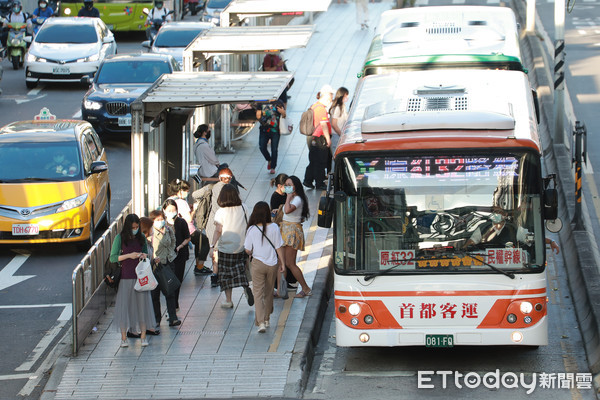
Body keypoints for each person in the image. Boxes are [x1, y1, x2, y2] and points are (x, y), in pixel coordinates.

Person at [109, 214, 156, 348]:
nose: (135, 229)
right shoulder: (120, 238)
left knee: (142, 307)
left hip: (140, 277)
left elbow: (147, 254)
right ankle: (123, 338)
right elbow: (113, 257)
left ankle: (143, 336)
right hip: (125, 277)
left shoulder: (141, 238)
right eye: (133, 227)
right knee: (124, 308)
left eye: (137, 227)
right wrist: (129, 255)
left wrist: (143, 255)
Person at [244, 202, 286, 333]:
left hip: (257, 264)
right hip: (272, 264)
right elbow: (279, 246)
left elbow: (247, 250)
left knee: (257, 293)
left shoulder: (251, 229)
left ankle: (261, 322)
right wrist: (283, 263)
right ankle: (267, 318)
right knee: (268, 292)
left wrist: (252, 251)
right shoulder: (274, 227)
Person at [210, 184, 253, 308]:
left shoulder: (221, 211)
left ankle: (228, 300)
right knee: (241, 269)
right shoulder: (244, 207)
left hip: (226, 248)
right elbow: (248, 224)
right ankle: (245, 287)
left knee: (226, 275)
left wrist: (212, 245)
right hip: (242, 246)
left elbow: (218, 230)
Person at [192, 168, 235, 286]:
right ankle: (220, 274)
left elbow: (194, 194)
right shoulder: (231, 190)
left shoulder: (211, 187)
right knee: (222, 249)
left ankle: (215, 276)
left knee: (215, 248)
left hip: (212, 223)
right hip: (226, 223)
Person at [127, 217, 161, 339]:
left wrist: (153, 260)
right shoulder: (139, 242)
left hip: (144, 277)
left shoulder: (147, 241)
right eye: (151, 227)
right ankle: (133, 330)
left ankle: (146, 327)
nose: (153, 229)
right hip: (137, 278)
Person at [280, 176, 312, 298]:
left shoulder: (297, 199)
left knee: (290, 263)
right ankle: (280, 289)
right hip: (286, 230)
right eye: (286, 184)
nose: (287, 187)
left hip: (291, 232)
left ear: (295, 186)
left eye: (289, 184)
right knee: (282, 262)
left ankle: (306, 288)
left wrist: (288, 197)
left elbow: (287, 211)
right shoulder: (294, 198)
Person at [149, 209, 181, 327]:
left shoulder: (168, 230)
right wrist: (154, 257)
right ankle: (156, 319)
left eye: (162, 219)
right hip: (156, 265)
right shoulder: (150, 234)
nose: (160, 222)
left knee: (170, 290)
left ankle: (172, 317)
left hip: (168, 263)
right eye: (158, 220)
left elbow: (173, 241)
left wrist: (170, 253)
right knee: (155, 293)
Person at [270, 173, 298, 293]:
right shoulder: (275, 197)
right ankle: (281, 284)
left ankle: (288, 281)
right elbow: (277, 214)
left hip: (286, 228)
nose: (288, 188)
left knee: (286, 258)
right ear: (279, 186)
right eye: (286, 186)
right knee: (282, 258)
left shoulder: (287, 195)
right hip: (280, 229)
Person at [303, 85, 334, 191]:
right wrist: (328, 139)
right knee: (320, 161)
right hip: (319, 138)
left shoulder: (315, 105)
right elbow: (324, 124)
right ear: (326, 96)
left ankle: (308, 180)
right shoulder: (320, 108)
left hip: (313, 138)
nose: (331, 100)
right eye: (331, 97)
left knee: (314, 160)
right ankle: (319, 183)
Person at [163, 199, 190, 310]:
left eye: (173, 210)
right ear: (164, 210)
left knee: (177, 280)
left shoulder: (181, 222)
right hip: (166, 257)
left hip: (179, 255)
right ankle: (172, 305)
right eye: (169, 210)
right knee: (169, 281)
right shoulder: (162, 223)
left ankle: (175, 303)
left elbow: (188, 237)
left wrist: (180, 246)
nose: (171, 212)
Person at [256, 99, 286, 175]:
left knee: (274, 149)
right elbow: (258, 115)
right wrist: (259, 116)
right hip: (264, 129)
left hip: (275, 130)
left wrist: (282, 112)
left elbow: (284, 115)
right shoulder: (261, 102)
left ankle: (273, 167)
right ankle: (269, 159)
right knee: (261, 147)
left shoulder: (279, 102)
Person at [329, 87, 349, 156]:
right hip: (336, 137)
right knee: (336, 159)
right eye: (346, 95)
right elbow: (334, 124)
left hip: (340, 136)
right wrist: (341, 135)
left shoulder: (343, 106)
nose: (347, 97)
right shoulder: (337, 108)